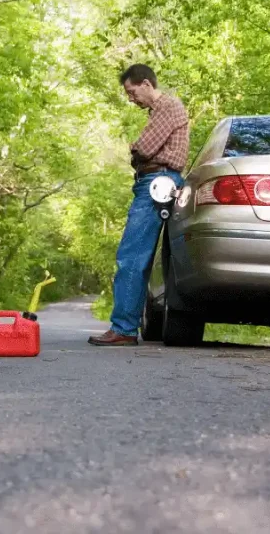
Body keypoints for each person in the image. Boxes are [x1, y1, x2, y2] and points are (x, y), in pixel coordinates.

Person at [88, 64, 190, 346]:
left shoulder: (167, 106)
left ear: (146, 84)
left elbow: (143, 148)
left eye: (132, 92)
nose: (131, 99)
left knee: (131, 255)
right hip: (155, 181)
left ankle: (123, 328)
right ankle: (125, 325)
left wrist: (136, 149)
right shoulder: (159, 111)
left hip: (157, 182)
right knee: (139, 255)